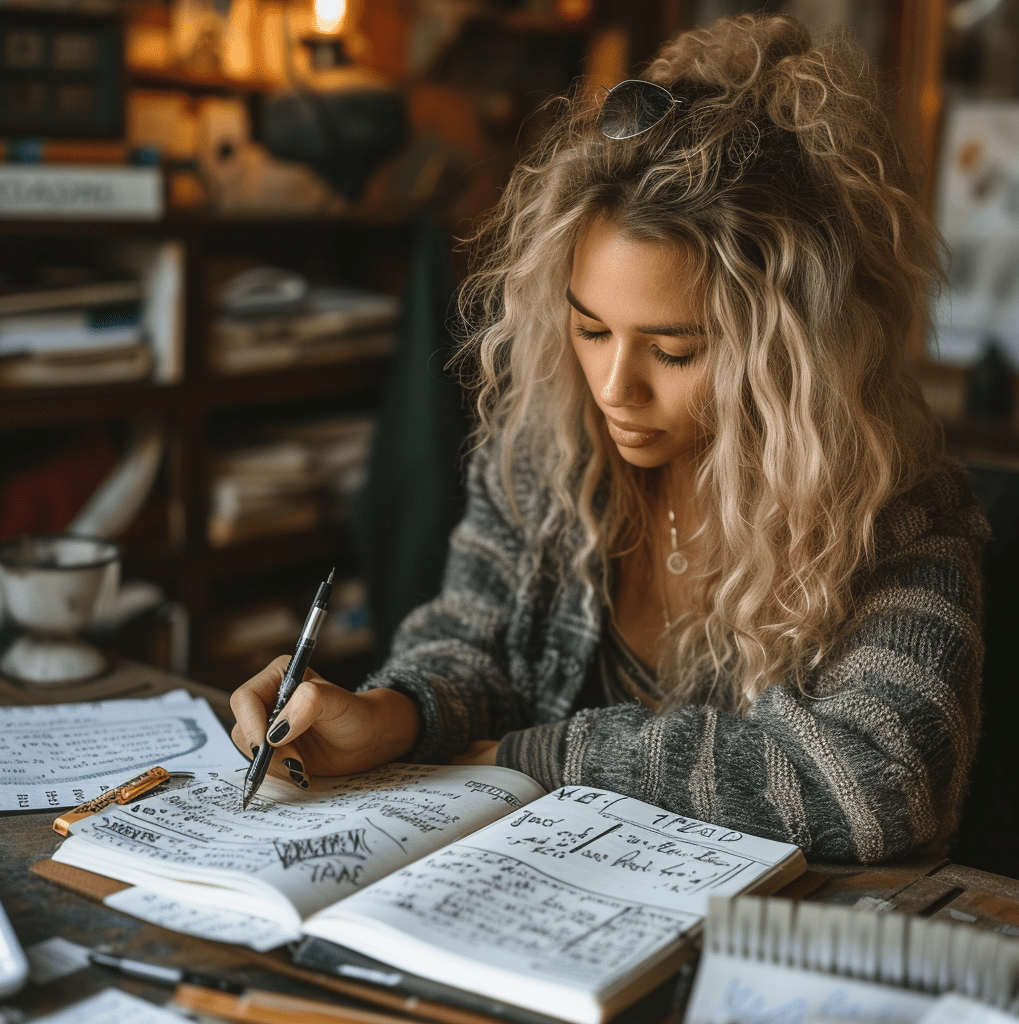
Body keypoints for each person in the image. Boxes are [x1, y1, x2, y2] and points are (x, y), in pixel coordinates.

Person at [231, 13, 990, 863]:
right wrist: (389, 713)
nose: (613, 387)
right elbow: (470, 644)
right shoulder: (544, 451)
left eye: (674, 349)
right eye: (591, 330)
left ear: (790, 354)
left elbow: (880, 783)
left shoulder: (896, 512)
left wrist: (548, 753)